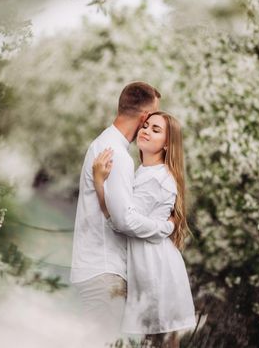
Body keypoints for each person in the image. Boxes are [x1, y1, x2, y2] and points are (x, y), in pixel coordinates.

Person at [70, 82, 175, 340]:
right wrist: (166, 227)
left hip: (96, 267)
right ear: (143, 117)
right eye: (151, 117)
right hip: (104, 272)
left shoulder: (106, 144)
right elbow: (124, 220)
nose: (151, 124)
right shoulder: (116, 153)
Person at [92, 111, 196, 347]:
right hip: (149, 262)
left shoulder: (157, 178)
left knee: (162, 340)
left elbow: (125, 222)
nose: (146, 131)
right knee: (156, 340)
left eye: (155, 130)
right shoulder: (145, 172)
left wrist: (99, 183)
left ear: (168, 144)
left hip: (154, 266)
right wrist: (165, 226)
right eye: (146, 126)